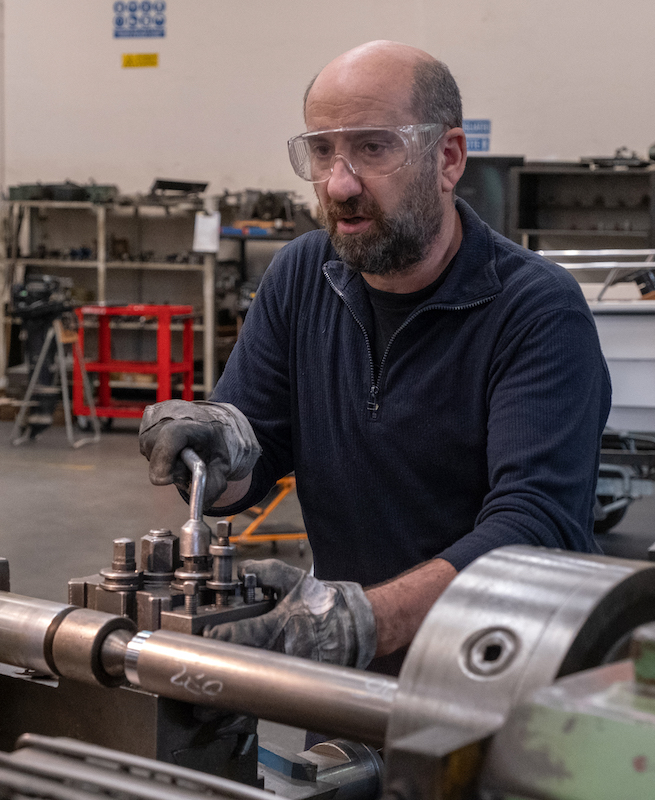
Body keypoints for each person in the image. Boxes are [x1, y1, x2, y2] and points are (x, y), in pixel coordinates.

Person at [139, 40, 611, 674]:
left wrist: (362, 621)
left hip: (492, 682)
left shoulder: (536, 309)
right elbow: (255, 456)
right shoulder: (303, 276)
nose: (339, 182)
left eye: (373, 147)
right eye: (322, 150)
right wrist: (214, 451)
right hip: (343, 678)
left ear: (448, 157)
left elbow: (537, 524)